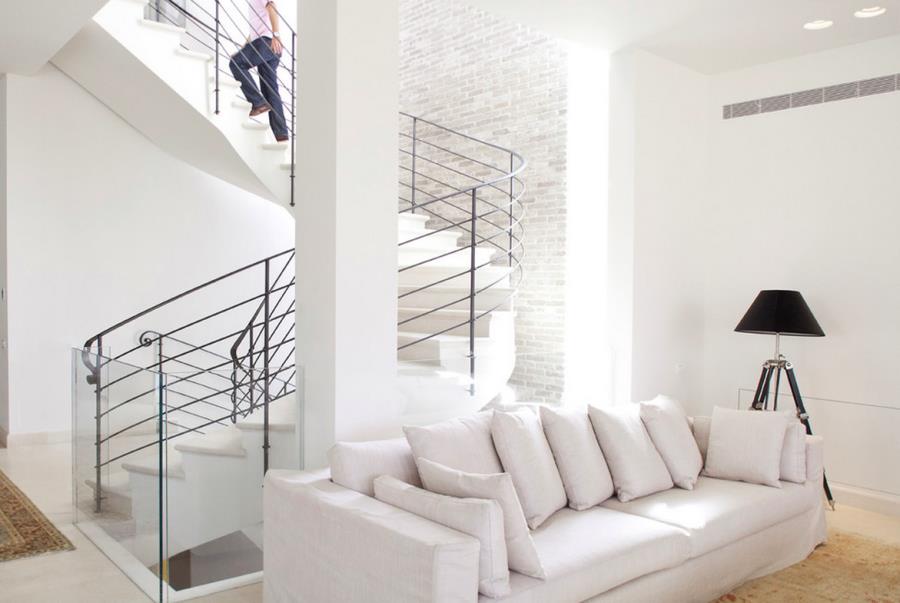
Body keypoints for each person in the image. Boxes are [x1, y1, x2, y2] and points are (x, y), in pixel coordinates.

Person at [229, 0, 289, 142]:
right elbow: (254, 33)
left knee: (236, 63)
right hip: (268, 44)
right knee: (270, 90)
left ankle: (258, 102)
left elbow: (272, 7)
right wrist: (242, 49)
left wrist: (276, 36)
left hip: (267, 42)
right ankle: (281, 134)